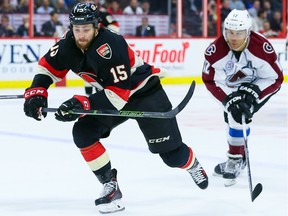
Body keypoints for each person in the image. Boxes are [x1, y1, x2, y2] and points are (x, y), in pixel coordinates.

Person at [23, 2, 208, 214]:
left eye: (86, 29)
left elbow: (119, 95)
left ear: (96, 26)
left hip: (143, 92)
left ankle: (192, 164)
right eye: (77, 29)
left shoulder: (112, 44)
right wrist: (36, 92)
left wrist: (82, 103)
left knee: (172, 157)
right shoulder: (67, 43)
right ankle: (110, 185)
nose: (81, 35)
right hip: (112, 95)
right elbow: (47, 67)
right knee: (83, 132)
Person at [202, 9, 283, 187]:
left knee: (238, 117)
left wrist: (255, 93)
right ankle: (240, 156)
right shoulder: (215, 50)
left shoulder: (261, 47)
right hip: (231, 87)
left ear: (248, 32)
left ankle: (234, 158)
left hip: (258, 85)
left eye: (239, 33)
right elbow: (210, 80)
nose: (234, 37)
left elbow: (275, 78)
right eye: (230, 32)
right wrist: (229, 100)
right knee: (232, 116)